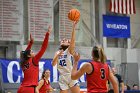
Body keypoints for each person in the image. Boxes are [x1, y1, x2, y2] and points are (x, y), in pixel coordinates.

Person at [17, 26, 52, 93]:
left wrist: (31, 43)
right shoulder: (34, 60)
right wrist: (47, 34)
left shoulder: (23, 62)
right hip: (30, 89)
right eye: (32, 52)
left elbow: (26, 53)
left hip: (21, 88)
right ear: (29, 55)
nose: (34, 53)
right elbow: (43, 48)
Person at [52, 21, 80, 93]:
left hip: (70, 75)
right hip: (62, 77)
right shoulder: (57, 52)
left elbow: (73, 40)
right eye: (62, 40)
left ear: (69, 44)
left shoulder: (69, 50)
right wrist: (57, 56)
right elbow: (53, 64)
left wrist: (73, 27)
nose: (63, 40)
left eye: (66, 40)